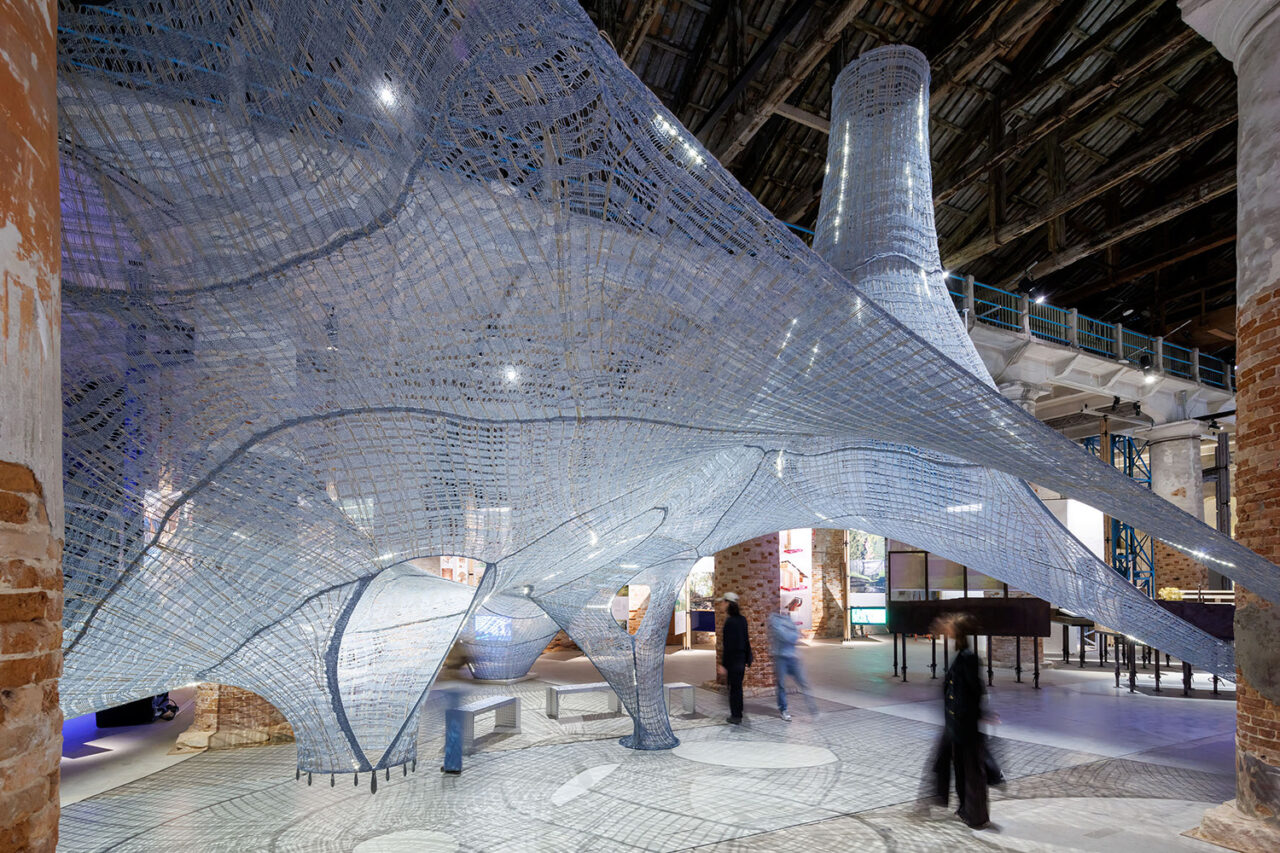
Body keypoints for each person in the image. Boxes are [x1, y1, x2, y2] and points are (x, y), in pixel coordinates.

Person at [930, 613, 994, 829]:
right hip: (957, 724)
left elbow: (975, 689)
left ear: (957, 633)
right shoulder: (962, 655)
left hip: (964, 725)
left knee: (969, 770)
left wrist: (979, 713)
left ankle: (975, 814)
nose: (945, 631)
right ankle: (966, 809)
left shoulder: (968, 657)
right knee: (959, 768)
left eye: (949, 628)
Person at [767, 597, 818, 720]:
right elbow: (785, 636)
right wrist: (794, 635)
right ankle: (783, 709)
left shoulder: (789, 619)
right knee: (781, 685)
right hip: (781, 658)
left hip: (792, 657)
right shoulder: (774, 619)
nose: (792, 607)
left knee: (803, 683)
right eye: (792, 605)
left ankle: (813, 709)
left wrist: (794, 634)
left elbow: (794, 634)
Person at [716, 592, 753, 723]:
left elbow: (728, 646)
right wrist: (749, 658)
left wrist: (724, 665)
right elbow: (746, 640)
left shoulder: (729, 622)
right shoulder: (742, 620)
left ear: (727, 603)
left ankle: (736, 716)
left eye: (722, 602)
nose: (721, 604)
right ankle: (738, 713)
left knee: (734, 689)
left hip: (733, 661)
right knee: (738, 688)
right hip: (741, 660)